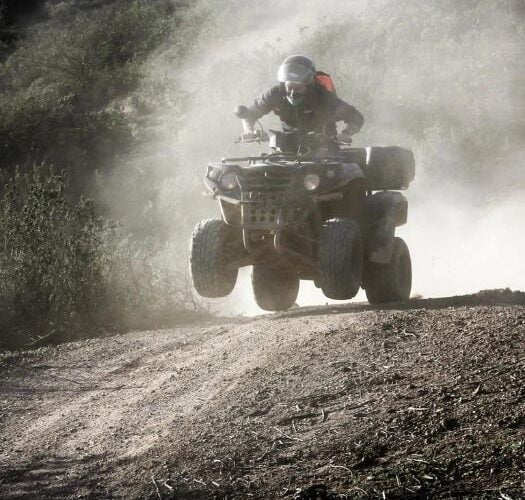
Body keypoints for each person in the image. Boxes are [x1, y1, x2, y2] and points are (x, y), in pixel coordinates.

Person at [239, 55, 364, 146]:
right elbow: (249, 114)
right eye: (290, 87)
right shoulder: (275, 94)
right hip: (285, 148)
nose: (293, 92)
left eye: (298, 88)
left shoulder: (324, 98)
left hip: (324, 149)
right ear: (284, 84)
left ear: (309, 85)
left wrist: (346, 133)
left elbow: (356, 118)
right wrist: (249, 131)